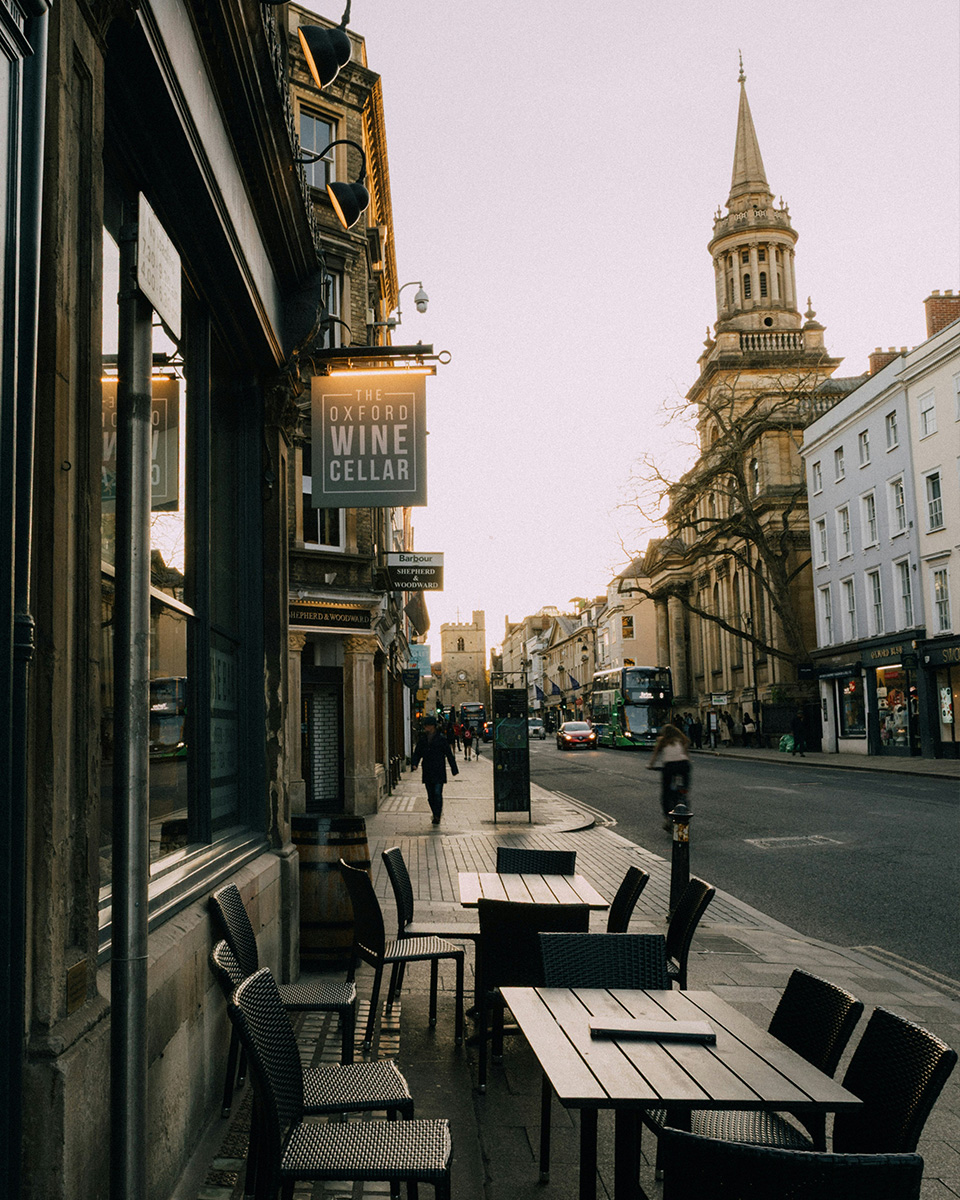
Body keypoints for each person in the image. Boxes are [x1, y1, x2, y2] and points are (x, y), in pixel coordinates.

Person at [411, 714, 459, 825]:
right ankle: (435, 812)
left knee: (437, 793)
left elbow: (449, 754)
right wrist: (414, 764)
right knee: (430, 796)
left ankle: (437, 815)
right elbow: (417, 753)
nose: (425, 728)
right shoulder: (423, 740)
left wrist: (454, 769)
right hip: (427, 770)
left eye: (427, 726)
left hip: (438, 770)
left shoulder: (441, 739)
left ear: (433, 726)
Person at [647, 723, 692, 832]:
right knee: (684, 789)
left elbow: (655, 754)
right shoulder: (681, 739)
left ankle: (667, 818)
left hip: (670, 766)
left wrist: (651, 765)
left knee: (666, 793)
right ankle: (684, 796)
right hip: (684, 765)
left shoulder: (662, 740)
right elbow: (686, 753)